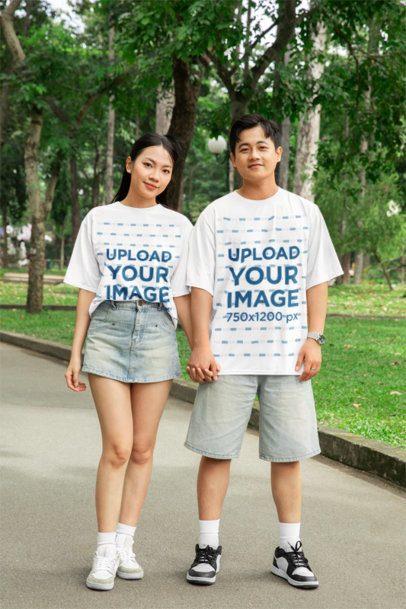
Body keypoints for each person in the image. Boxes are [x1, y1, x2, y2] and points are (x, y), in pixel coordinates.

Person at [184, 114, 343, 589]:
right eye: (243, 148)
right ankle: (207, 547)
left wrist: (314, 337)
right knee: (215, 453)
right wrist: (201, 343)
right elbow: (200, 286)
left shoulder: (304, 212)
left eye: (262, 146)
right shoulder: (215, 214)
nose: (254, 154)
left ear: (277, 153)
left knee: (287, 456)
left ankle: (288, 550)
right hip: (226, 357)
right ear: (233, 160)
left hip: (287, 356)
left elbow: (317, 279)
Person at [63, 133, 193, 591]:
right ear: (129, 164)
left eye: (165, 170)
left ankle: (125, 542)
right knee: (117, 446)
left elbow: (182, 292)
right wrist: (75, 351)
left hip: (158, 331)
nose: (155, 176)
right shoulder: (100, 218)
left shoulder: (180, 227)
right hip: (109, 332)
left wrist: (200, 346)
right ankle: (102, 549)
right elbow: (85, 289)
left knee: (142, 448)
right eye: (148, 165)